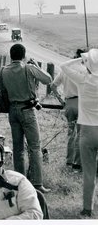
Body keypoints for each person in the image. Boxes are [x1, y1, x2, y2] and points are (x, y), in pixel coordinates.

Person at [0, 43, 52, 193]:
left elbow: (3, 92)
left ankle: (20, 182)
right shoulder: (28, 68)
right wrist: (35, 64)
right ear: (23, 55)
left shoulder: (3, 70)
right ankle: (37, 184)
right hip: (27, 109)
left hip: (12, 110)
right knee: (35, 147)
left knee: (18, 149)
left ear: (11, 55)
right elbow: (48, 79)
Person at [60, 48, 98, 218]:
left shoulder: (83, 80)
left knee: (89, 172)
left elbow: (64, 66)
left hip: (88, 130)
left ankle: (87, 209)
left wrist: (81, 59)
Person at [50, 48, 85, 172]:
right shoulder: (85, 71)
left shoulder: (65, 71)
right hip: (82, 104)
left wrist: (61, 101)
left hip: (69, 104)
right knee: (81, 134)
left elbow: (53, 86)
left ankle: (69, 161)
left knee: (71, 133)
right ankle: (77, 163)